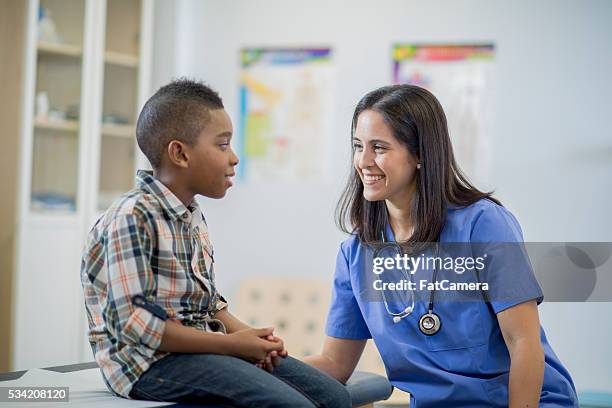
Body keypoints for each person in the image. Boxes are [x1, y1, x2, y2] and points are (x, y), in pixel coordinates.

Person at [80, 78, 351, 408]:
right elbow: (134, 325)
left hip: (202, 350)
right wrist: (232, 346)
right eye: (223, 145)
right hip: (147, 365)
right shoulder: (132, 216)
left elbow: (207, 304)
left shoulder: (190, 214)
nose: (234, 157)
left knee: (334, 398)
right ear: (180, 153)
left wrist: (252, 338)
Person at [304, 84, 578, 407]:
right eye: (357, 146)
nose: (363, 161)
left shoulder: (483, 225)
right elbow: (335, 364)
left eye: (378, 148)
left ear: (420, 155)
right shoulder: (356, 253)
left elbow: (523, 342)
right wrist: (265, 365)